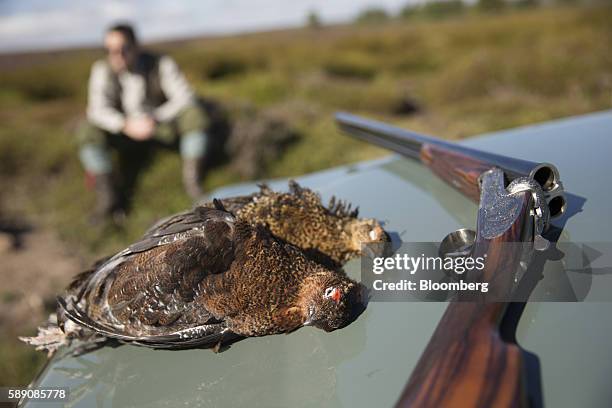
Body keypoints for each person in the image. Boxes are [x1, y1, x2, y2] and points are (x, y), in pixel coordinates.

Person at [77, 23, 208, 221]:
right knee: (86, 131)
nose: (117, 55)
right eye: (110, 50)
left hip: (159, 127)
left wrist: (156, 117)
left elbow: (185, 97)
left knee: (194, 115)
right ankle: (108, 199)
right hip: (123, 132)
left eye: (123, 49)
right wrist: (125, 125)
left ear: (136, 46)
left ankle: (193, 184)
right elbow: (97, 110)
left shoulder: (161, 62)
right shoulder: (102, 70)